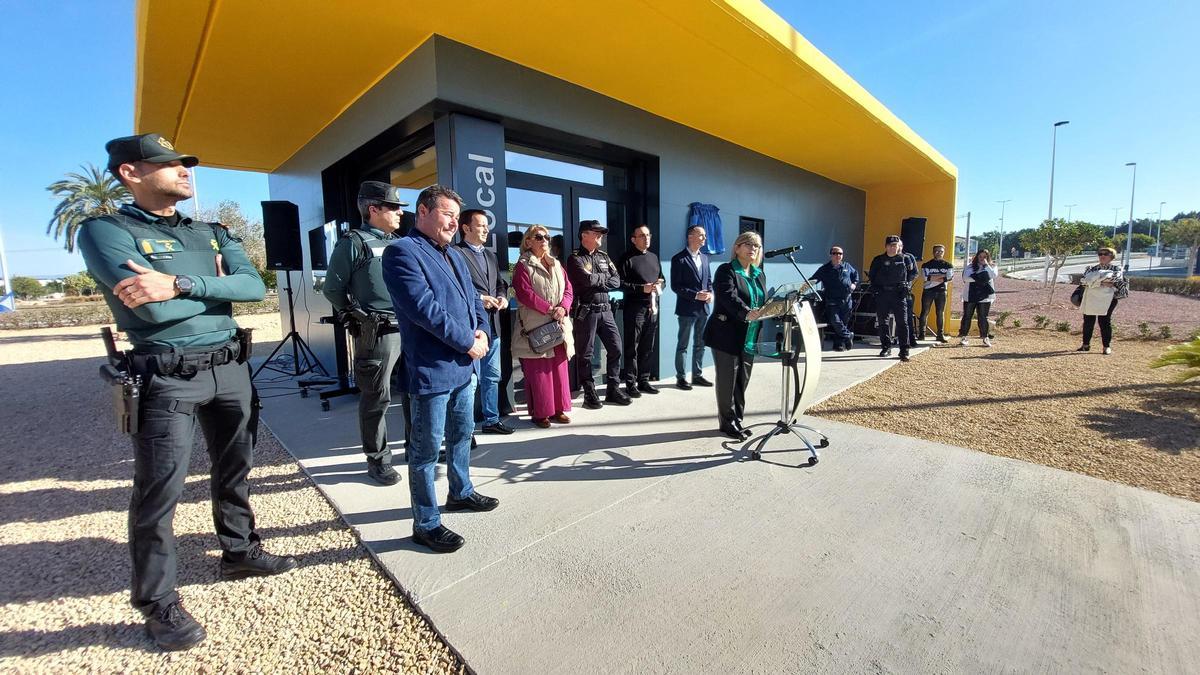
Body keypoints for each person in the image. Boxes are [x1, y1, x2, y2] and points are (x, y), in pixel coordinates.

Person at [77, 133, 296, 651]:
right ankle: (157, 603)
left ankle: (239, 550)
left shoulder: (213, 231)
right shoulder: (106, 232)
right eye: (167, 163)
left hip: (230, 369)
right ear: (131, 173)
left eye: (183, 164)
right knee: (160, 490)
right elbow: (148, 311)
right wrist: (215, 293)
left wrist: (178, 284)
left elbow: (252, 287)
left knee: (236, 467)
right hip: (166, 375)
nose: (183, 171)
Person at [382, 185, 497, 554]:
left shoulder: (455, 255)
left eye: (455, 216)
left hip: (465, 366)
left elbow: (474, 302)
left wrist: (482, 331)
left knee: (462, 435)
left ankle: (460, 492)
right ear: (423, 212)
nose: (454, 222)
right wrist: (469, 341)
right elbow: (425, 310)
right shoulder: (402, 253)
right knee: (426, 450)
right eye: (447, 214)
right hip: (432, 369)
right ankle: (426, 522)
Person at [322, 181, 408, 486]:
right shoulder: (353, 243)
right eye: (394, 207)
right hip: (379, 332)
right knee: (377, 398)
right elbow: (332, 288)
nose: (400, 213)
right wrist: (356, 313)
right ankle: (378, 460)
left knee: (412, 392)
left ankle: (415, 447)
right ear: (374, 209)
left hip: (408, 328)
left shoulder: (397, 241)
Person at [454, 209, 514, 435]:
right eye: (480, 225)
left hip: (494, 326)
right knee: (469, 382)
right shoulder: (455, 253)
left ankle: (491, 420)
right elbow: (456, 288)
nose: (486, 229)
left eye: (486, 225)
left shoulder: (490, 255)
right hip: (470, 328)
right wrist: (479, 299)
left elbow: (500, 283)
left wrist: (501, 297)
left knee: (492, 376)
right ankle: (464, 430)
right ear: (466, 228)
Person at [704, 231, 767, 440]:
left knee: (743, 379)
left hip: (749, 336)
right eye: (747, 244)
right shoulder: (726, 270)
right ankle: (727, 422)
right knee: (727, 380)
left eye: (756, 246)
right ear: (737, 248)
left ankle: (737, 418)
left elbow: (762, 301)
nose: (752, 249)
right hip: (726, 335)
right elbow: (728, 297)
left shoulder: (758, 273)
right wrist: (746, 312)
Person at [512, 225, 576, 427]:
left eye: (546, 237)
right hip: (536, 326)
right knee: (539, 372)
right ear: (528, 241)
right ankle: (541, 413)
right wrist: (550, 309)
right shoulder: (522, 265)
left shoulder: (556, 264)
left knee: (558, 369)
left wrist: (563, 308)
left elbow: (569, 290)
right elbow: (525, 294)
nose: (544, 240)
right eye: (539, 237)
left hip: (558, 325)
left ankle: (558, 410)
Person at [566, 220, 630, 408]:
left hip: (606, 311)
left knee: (616, 348)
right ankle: (589, 392)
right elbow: (585, 280)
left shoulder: (604, 256)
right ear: (584, 235)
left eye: (601, 232)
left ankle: (613, 389)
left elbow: (617, 281)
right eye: (596, 232)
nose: (600, 235)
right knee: (585, 354)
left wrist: (597, 280)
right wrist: (603, 279)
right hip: (586, 312)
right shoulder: (575, 258)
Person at [617, 225, 665, 397]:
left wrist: (660, 285)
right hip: (634, 309)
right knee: (632, 347)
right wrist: (640, 289)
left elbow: (663, 279)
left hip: (652, 308)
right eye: (642, 236)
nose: (646, 238)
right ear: (633, 239)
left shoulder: (653, 257)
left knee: (648, 347)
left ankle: (644, 380)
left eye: (648, 235)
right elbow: (619, 283)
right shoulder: (626, 259)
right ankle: (630, 384)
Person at [669, 225, 714, 389]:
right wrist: (695, 295)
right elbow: (676, 286)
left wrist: (710, 294)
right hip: (686, 309)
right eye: (701, 235)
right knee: (683, 345)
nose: (704, 238)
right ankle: (681, 378)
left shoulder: (705, 258)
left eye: (704, 235)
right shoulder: (678, 259)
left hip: (703, 309)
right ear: (690, 237)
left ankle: (698, 375)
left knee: (700, 344)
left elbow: (709, 281)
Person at [867, 235, 917, 361]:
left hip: (898, 294)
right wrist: (876, 290)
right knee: (883, 322)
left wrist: (907, 284)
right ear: (886, 246)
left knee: (902, 323)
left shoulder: (905, 259)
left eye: (895, 245)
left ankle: (904, 351)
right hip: (883, 294)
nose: (892, 247)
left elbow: (913, 273)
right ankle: (886, 347)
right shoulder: (878, 259)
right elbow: (872, 276)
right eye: (890, 245)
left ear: (898, 246)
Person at [1077, 247, 1129, 355]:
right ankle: (1085, 344)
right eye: (1100, 254)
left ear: (1111, 256)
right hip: (1091, 298)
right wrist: (1102, 283)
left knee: (1104, 321)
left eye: (1106, 254)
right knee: (1088, 321)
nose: (1102, 256)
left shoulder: (1117, 269)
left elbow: (1115, 280)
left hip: (1108, 299)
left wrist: (1094, 282)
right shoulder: (1091, 268)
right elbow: (1083, 281)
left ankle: (1106, 346)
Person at [810, 245, 859, 351]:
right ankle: (848, 335)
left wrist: (854, 284)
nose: (837, 255)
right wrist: (802, 288)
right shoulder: (824, 269)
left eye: (840, 253)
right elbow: (812, 280)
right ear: (830, 255)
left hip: (846, 299)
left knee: (843, 322)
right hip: (832, 300)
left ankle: (839, 344)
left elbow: (856, 276)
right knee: (835, 321)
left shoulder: (847, 266)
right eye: (835, 253)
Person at [958, 249, 997, 347]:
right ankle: (964, 337)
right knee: (967, 316)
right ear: (977, 257)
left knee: (983, 317)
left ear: (988, 258)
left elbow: (993, 275)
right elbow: (965, 278)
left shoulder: (992, 266)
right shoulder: (970, 266)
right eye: (980, 256)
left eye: (985, 257)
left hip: (985, 296)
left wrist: (985, 267)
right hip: (970, 295)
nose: (982, 259)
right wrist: (983, 277)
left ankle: (985, 338)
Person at [918, 244, 953, 343]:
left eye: (941, 251)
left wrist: (933, 277)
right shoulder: (926, 265)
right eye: (937, 251)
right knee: (924, 312)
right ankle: (922, 334)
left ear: (944, 252)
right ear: (933, 252)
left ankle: (940, 335)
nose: (939, 253)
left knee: (940, 313)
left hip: (941, 291)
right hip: (928, 291)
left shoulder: (948, 265)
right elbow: (925, 278)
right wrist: (941, 276)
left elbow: (949, 277)